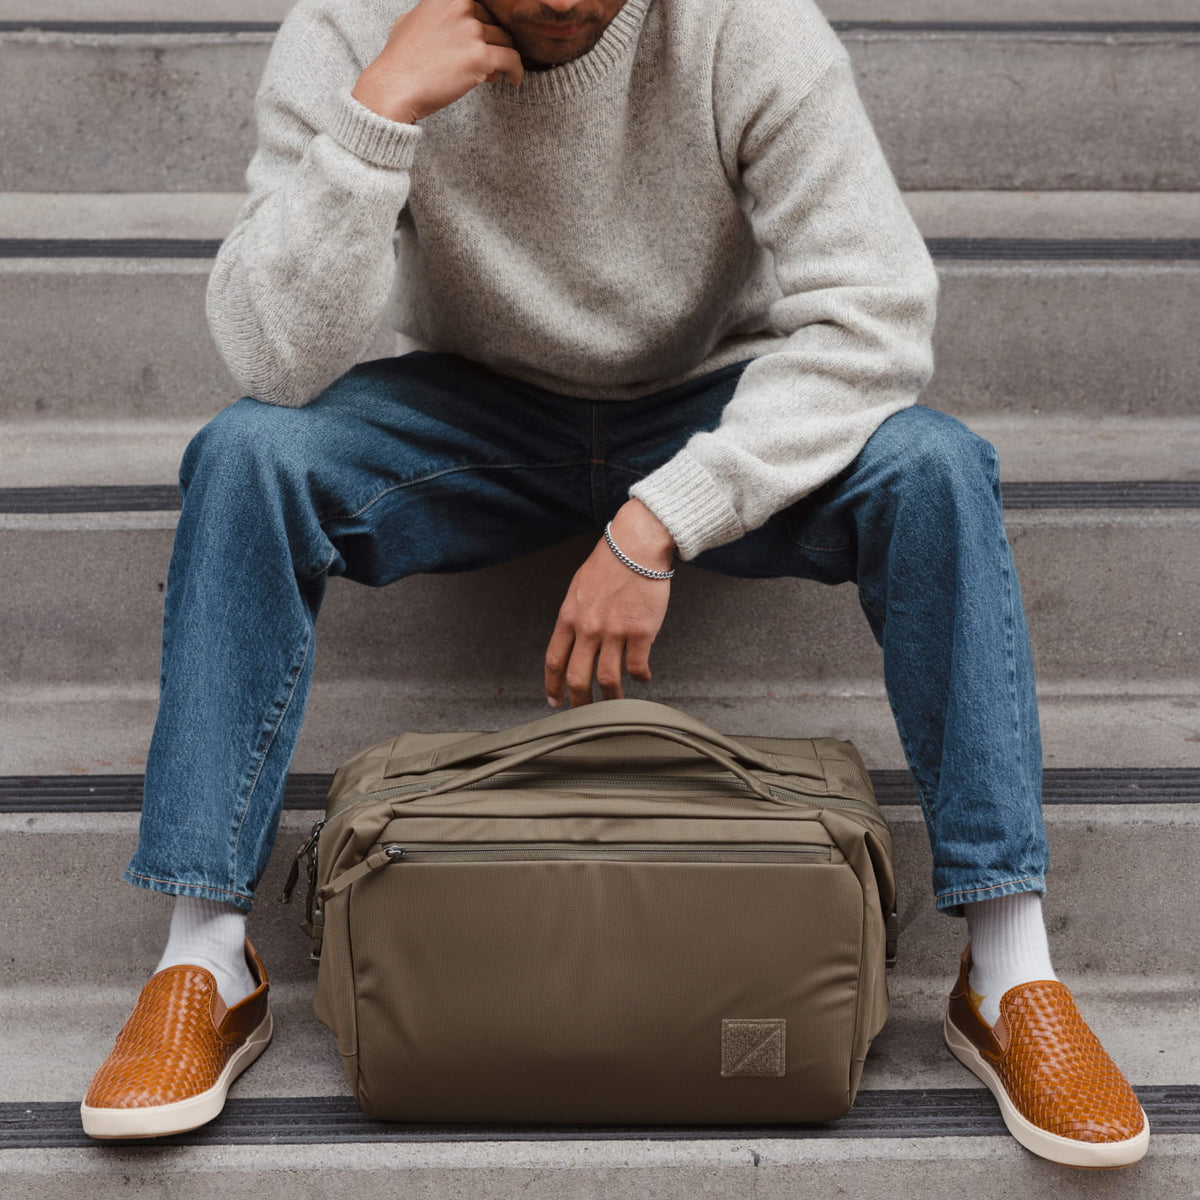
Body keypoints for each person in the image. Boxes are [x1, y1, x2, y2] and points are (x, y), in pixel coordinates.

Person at [81, 0, 1147, 1167]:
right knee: (246, 456)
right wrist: (376, 117)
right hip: (475, 412)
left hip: (711, 401)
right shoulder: (352, 25)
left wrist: (662, 521)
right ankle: (204, 955)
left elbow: (877, 316)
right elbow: (271, 360)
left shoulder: (747, 27)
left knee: (935, 468)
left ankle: (1008, 970)